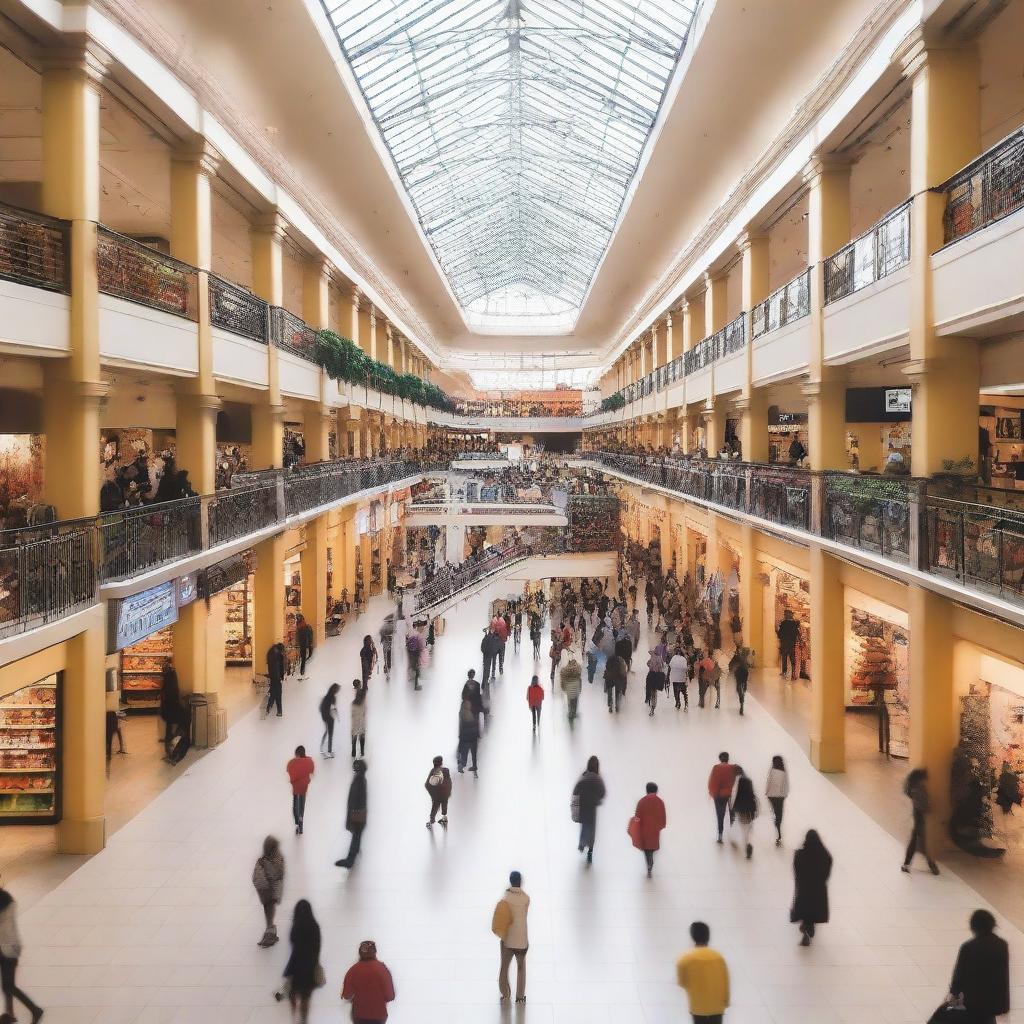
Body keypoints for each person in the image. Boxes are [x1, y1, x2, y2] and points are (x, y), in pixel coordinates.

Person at [947, 909, 1010, 1024]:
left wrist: (954, 994)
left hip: (971, 1001)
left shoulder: (968, 947)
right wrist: (1005, 1004)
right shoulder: (1001, 945)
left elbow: (959, 974)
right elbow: (1003, 976)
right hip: (991, 1002)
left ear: (974, 927)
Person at [0, 887, 43, 1024]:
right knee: (6, 985)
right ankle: (9, 1013)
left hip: (8, 950)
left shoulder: (5, 901)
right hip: (4, 948)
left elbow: (6, 929)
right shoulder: (5, 898)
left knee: (9, 986)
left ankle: (35, 1010)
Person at [676, 920, 729, 1024]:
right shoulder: (718, 957)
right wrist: (726, 1001)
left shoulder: (685, 960)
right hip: (717, 1007)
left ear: (692, 937)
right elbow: (725, 981)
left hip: (697, 1006)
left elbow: (681, 982)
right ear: (708, 936)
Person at [492, 870, 530, 1004]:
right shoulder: (526, 898)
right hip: (521, 941)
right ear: (520, 882)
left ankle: (505, 993)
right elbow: (524, 913)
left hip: (507, 940)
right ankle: (520, 997)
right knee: (521, 968)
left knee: (504, 967)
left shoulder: (505, 898)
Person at [282, 899, 321, 1024]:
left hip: (296, 966)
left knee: (293, 992)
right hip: (310, 966)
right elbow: (318, 945)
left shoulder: (296, 925)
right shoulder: (315, 925)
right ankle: (304, 1018)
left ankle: (294, 1015)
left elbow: (293, 942)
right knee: (306, 995)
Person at [791, 829, 832, 946]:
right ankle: (810, 927)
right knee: (814, 909)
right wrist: (823, 879)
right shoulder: (824, 854)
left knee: (805, 909)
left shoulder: (800, 854)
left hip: (804, 888)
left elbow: (796, 868)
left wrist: (800, 880)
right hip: (818, 889)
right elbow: (828, 864)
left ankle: (806, 929)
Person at [341, 940, 395, 1022]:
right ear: (375, 952)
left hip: (360, 1015)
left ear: (360, 953)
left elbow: (346, 995)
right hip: (379, 1015)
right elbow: (390, 996)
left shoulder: (353, 970)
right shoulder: (382, 969)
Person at [902, 767, 940, 875]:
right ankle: (932, 866)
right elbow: (924, 805)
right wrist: (930, 806)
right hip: (920, 819)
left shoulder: (912, 787)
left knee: (915, 843)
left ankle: (906, 864)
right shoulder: (919, 789)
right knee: (922, 844)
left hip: (917, 817)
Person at [572, 755, 606, 864]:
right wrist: (597, 800)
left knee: (584, 827)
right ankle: (590, 852)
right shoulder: (598, 779)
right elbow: (602, 793)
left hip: (582, 807)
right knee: (592, 830)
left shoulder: (583, 776)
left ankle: (582, 843)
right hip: (592, 808)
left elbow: (576, 791)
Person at [252, 835, 285, 947]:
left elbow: (279, 877)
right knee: (268, 910)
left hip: (270, 891)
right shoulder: (263, 861)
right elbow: (257, 878)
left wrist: (276, 892)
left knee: (269, 910)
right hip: (266, 891)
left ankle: (270, 931)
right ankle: (270, 931)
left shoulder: (276, 860)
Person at [335, 759, 367, 869]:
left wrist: (352, 813)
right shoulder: (361, 779)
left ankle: (350, 860)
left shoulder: (359, 780)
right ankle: (355, 851)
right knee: (357, 835)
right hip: (359, 813)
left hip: (357, 814)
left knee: (356, 835)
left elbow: (356, 798)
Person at [633, 782, 667, 877]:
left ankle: (649, 863)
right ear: (656, 790)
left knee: (646, 848)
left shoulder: (642, 801)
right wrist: (662, 825)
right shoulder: (660, 802)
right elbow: (663, 815)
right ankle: (650, 861)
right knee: (652, 847)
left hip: (644, 829)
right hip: (655, 829)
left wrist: (636, 826)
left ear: (647, 790)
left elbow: (637, 816)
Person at [708, 752, 737, 844]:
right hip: (726, 794)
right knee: (723, 813)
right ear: (727, 759)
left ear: (720, 759)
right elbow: (733, 781)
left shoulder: (716, 768)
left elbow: (712, 781)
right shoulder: (732, 768)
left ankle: (720, 834)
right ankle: (730, 832)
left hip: (717, 795)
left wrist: (712, 793)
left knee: (719, 815)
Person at [286, 745, 315, 836]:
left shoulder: (292, 763)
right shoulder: (309, 761)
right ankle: (301, 822)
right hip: (304, 788)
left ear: (297, 754)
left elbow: (289, 770)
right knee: (302, 805)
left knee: (295, 805)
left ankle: (297, 821)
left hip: (296, 788)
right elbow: (311, 770)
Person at [730, 770, 759, 859]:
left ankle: (747, 844)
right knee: (750, 828)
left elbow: (734, 798)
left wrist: (732, 809)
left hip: (741, 811)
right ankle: (749, 844)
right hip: (750, 811)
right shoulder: (749, 786)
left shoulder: (737, 787)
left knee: (744, 830)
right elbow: (753, 798)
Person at [765, 755, 789, 846]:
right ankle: (778, 832)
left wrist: (766, 792)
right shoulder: (783, 772)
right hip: (780, 797)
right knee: (779, 814)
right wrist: (784, 795)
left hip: (771, 795)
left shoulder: (772, 771)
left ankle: (775, 817)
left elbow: (768, 782)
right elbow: (786, 785)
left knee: (775, 810)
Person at [158, 664, 181, 756]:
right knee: (172, 724)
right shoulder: (173, 678)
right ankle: (171, 740)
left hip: (168, 707)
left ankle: (169, 741)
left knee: (169, 724)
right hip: (173, 706)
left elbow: (165, 692)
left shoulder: (167, 680)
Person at [425, 755, 452, 828]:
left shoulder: (433, 771)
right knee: (444, 805)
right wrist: (448, 793)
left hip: (436, 795)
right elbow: (449, 782)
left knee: (434, 808)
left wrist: (432, 795)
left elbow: (427, 785)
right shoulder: (446, 770)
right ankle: (444, 819)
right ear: (441, 762)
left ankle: (431, 822)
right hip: (444, 794)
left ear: (434, 763)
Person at [456, 698, 479, 776]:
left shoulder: (463, 713)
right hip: (469, 737)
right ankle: (462, 765)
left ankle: (462, 765)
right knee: (470, 754)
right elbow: (468, 724)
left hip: (467, 736)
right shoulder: (466, 713)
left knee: (465, 754)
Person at [776, 610, 799, 682]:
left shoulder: (783, 623)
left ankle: (784, 672)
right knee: (792, 659)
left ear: (786, 615)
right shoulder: (795, 624)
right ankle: (793, 674)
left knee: (784, 658)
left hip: (784, 643)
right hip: (792, 643)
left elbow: (779, 634)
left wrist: (778, 631)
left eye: (784, 614)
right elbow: (796, 633)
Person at [319, 683, 340, 758]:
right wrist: (336, 715)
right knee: (330, 734)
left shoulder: (326, 697)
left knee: (326, 732)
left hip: (325, 716)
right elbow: (333, 708)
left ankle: (322, 748)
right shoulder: (333, 698)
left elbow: (320, 708)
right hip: (330, 718)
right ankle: (329, 751)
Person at [560, 653, 583, 722]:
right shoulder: (578, 669)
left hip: (569, 687)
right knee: (575, 701)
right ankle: (574, 712)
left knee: (570, 701)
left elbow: (563, 677)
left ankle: (570, 713)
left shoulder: (566, 670)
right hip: (576, 687)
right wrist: (580, 689)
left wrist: (563, 687)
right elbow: (580, 679)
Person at [266, 641, 286, 717]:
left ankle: (269, 706)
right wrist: (282, 676)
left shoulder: (270, 652)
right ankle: (278, 710)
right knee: (278, 693)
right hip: (277, 677)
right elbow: (281, 667)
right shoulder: (279, 654)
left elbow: (269, 665)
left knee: (274, 691)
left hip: (272, 676)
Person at [669, 646, 689, 711]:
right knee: (684, 692)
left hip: (675, 678)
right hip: (682, 678)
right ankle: (686, 704)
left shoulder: (673, 658)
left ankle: (678, 703)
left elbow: (670, 665)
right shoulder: (683, 659)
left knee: (676, 692)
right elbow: (685, 668)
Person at [351, 683, 367, 758]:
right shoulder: (363, 703)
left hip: (355, 723)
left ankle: (353, 752)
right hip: (361, 723)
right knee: (362, 737)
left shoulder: (353, 703)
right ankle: (362, 751)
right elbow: (365, 712)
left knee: (354, 738)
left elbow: (352, 714)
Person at [296, 615, 314, 679]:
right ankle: (302, 672)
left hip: (304, 644)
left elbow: (310, 635)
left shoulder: (303, 627)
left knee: (304, 658)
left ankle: (303, 671)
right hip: (305, 644)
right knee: (305, 658)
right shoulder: (305, 627)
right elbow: (310, 635)